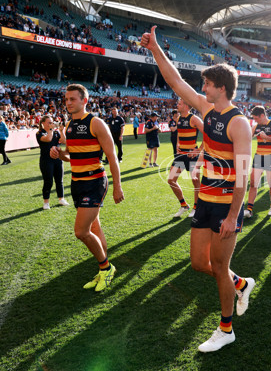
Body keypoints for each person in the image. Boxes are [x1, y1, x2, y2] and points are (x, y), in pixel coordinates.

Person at [141, 26, 255, 352]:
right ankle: (242, 283)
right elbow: (176, 80)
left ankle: (226, 328)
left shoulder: (239, 123)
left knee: (218, 267)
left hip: (225, 209)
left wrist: (234, 216)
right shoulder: (207, 110)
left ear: (220, 88)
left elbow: (244, 175)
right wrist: (155, 49)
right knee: (198, 264)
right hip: (203, 202)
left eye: (206, 83)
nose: (200, 87)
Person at [50, 84, 124, 292]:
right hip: (77, 182)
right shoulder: (68, 126)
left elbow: (112, 157)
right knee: (94, 228)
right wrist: (59, 153)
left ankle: (107, 267)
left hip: (95, 182)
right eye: (66, 99)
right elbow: (72, 155)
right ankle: (103, 270)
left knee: (80, 231)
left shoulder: (96, 123)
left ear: (84, 101)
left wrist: (117, 186)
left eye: (72, 99)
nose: (68, 103)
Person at [244, 105, 271, 218]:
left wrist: (268, 138)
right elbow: (247, 138)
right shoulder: (256, 126)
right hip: (258, 157)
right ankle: (249, 209)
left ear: (262, 115)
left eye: (256, 118)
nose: (255, 120)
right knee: (253, 184)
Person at [168, 98, 204, 218]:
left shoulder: (194, 118)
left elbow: (207, 133)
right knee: (171, 180)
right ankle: (184, 205)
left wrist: (198, 150)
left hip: (193, 156)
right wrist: (178, 144)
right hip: (181, 155)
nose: (177, 105)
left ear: (187, 106)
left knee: (195, 181)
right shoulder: (179, 118)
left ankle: (196, 207)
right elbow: (179, 132)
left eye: (179, 103)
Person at [36, 115, 70, 209]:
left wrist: (61, 131)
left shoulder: (55, 132)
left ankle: (61, 199)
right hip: (46, 160)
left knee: (60, 180)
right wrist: (51, 129)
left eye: (52, 122)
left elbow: (63, 141)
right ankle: (46, 202)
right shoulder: (40, 133)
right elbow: (48, 139)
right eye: (49, 122)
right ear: (43, 124)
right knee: (48, 181)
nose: (52, 124)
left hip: (57, 159)